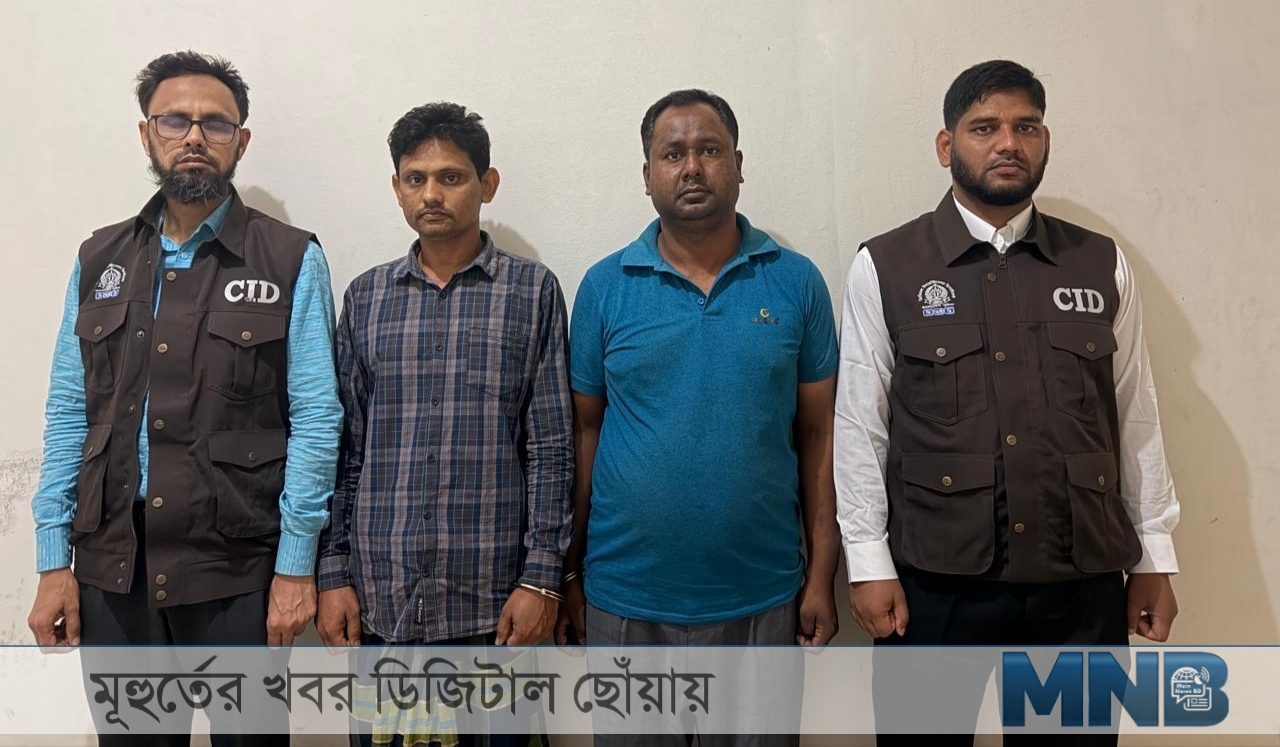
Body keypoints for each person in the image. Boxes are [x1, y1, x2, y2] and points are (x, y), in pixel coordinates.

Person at [834, 59, 1181, 745]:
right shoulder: (887, 265)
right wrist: (868, 562)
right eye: (984, 127)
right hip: (936, 586)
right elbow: (859, 427)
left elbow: (1134, 414)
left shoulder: (1100, 262)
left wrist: (1152, 558)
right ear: (946, 145)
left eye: (1027, 127)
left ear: (1045, 141)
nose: (1008, 143)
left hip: (1079, 585)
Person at [26, 50, 343, 746]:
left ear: (241, 142)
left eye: (215, 123)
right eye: (175, 120)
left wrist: (295, 567)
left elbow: (318, 418)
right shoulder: (98, 260)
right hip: (113, 567)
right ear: (147, 134)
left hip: (235, 570)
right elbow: (70, 413)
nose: (194, 136)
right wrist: (53, 559)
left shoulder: (290, 257)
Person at [562, 88, 841, 746]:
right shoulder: (605, 286)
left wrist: (822, 575)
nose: (692, 166)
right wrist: (568, 575)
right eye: (673, 153)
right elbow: (583, 432)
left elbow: (820, 434)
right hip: (626, 599)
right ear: (647, 174)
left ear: (739, 164)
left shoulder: (796, 281)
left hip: (762, 596)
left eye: (710, 150)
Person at [316, 101, 573, 747]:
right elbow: (346, 450)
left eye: (451, 177)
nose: (431, 193)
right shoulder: (366, 298)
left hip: (494, 603)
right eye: (416, 178)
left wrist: (541, 577)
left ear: (487, 184)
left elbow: (549, 448)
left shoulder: (532, 292)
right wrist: (333, 573)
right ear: (398, 187)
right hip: (382, 603)